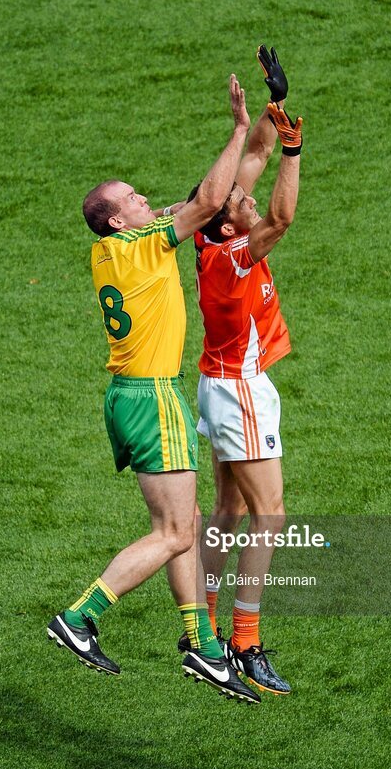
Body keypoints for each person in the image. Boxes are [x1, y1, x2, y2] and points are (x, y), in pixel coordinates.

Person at [47, 74, 260, 704]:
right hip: (152, 396)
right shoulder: (139, 245)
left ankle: (202, 645)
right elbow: (203, 204)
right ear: (116, 219)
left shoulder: (113, 249)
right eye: (134, 198)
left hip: (123, 398)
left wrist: (258, 144)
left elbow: (190, 204)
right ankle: (81, 617)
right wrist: (241, 128)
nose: (146, 199)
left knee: (183, 521)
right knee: (173, 532)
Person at [183, 46, 302, 695]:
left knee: (227, 510)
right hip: (239, 392)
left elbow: (250, 158)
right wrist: (293, 151)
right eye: (241, 204)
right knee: (270, 516)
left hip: (218, 384)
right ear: (230, 224)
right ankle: (245, 640)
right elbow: (281, 215)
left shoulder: (215, 232)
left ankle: (198, 624)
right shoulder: (233, 261)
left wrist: (271, 104)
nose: (250, 201)